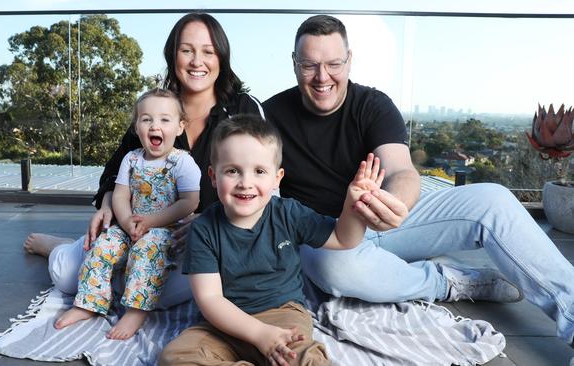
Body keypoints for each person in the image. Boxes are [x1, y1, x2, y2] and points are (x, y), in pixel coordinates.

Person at [263, 14, 574, 345]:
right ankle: (448, 281)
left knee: (494, 199)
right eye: (310, 65)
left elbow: (401, 171)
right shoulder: (268, 116)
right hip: (327, 238)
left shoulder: (372, 104)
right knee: (332, 268)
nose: (322, 76)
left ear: (349, 60)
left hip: (385, 218)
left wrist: (394, 203)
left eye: (333, 64)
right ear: (295, 64)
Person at [23, 12, 263, 309]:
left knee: (159, 295)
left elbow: (264, 186)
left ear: (221, 58)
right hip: (137, 229)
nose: (196, 61)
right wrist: (111, 202)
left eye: (208, 52)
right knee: (67, 277)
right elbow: (115, 170)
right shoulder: (155, 109)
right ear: (172, 55)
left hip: (205, 241)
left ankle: (105, 268)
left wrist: (212, 222)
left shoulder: (244, 109)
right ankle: (61, 249)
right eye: (186, 50)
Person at [160, 114, 384, 366]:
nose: (246, 183)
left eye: (259, 171)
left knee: (304, 359)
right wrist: (258, 334)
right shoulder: (204, 228)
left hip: (282, 317)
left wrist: (353, 205)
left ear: (277, 179)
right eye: (232, 171)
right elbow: (210, 299)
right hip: (225, 324)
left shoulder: (288, 213)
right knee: (174, 357)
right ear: (213, 176)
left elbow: (344, 239)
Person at [53, 88, 200, 340]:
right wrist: (126, 221)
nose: (155, 126)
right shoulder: (131, 159)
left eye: (165, 119)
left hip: (165, 229)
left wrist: (151, 222)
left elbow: (189, 202)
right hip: (130, 223)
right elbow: (120, 195)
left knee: (148, 250)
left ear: (179, 127)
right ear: (136, 126)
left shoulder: (182, 162)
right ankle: (88, 303)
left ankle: (136, 310)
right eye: (146, 119)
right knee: (102, 246)